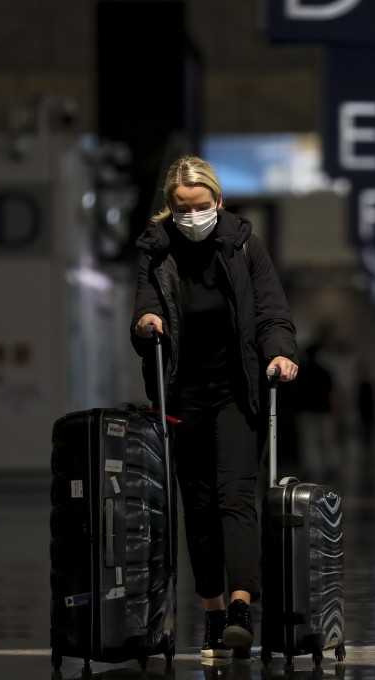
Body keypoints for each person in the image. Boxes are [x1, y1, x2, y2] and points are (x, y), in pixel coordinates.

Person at [131, 155, 299, 659]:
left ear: (218, 201)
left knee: (234, 497)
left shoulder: (243, 244)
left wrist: (282, 354)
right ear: (169, 208)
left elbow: (272, 312)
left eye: (201, 206)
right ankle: (213, 612)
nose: (193, 216)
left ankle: (243, 608)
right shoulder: (155, 252)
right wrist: (145, 323)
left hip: (236, 389)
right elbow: (144, 305)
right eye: (182, 209)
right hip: (183, 393)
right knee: (198, 507)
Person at [294, 345, 337, 478]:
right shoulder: (324, 371)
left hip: (307, 412)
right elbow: (333, 394)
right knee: (326, 441)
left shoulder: (302, 372)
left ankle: (311, 469)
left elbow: (296, 394)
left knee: (309, 443)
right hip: (323, 411)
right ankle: (329, 467)